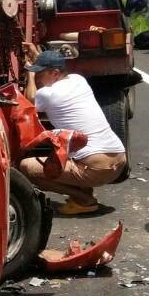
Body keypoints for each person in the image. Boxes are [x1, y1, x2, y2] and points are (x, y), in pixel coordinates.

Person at [19, 47, 127, 215]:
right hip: (119, 160)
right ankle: (83, 194)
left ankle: (85, 200)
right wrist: (38, 58)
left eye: (41, 73)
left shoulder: (48, 94)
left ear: (55, 73)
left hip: (95, 168)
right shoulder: (78, 79)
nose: (39, 78)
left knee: (26, 167)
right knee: (70, 150)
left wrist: (30, 76)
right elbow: (52, 65)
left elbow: (29, 102)